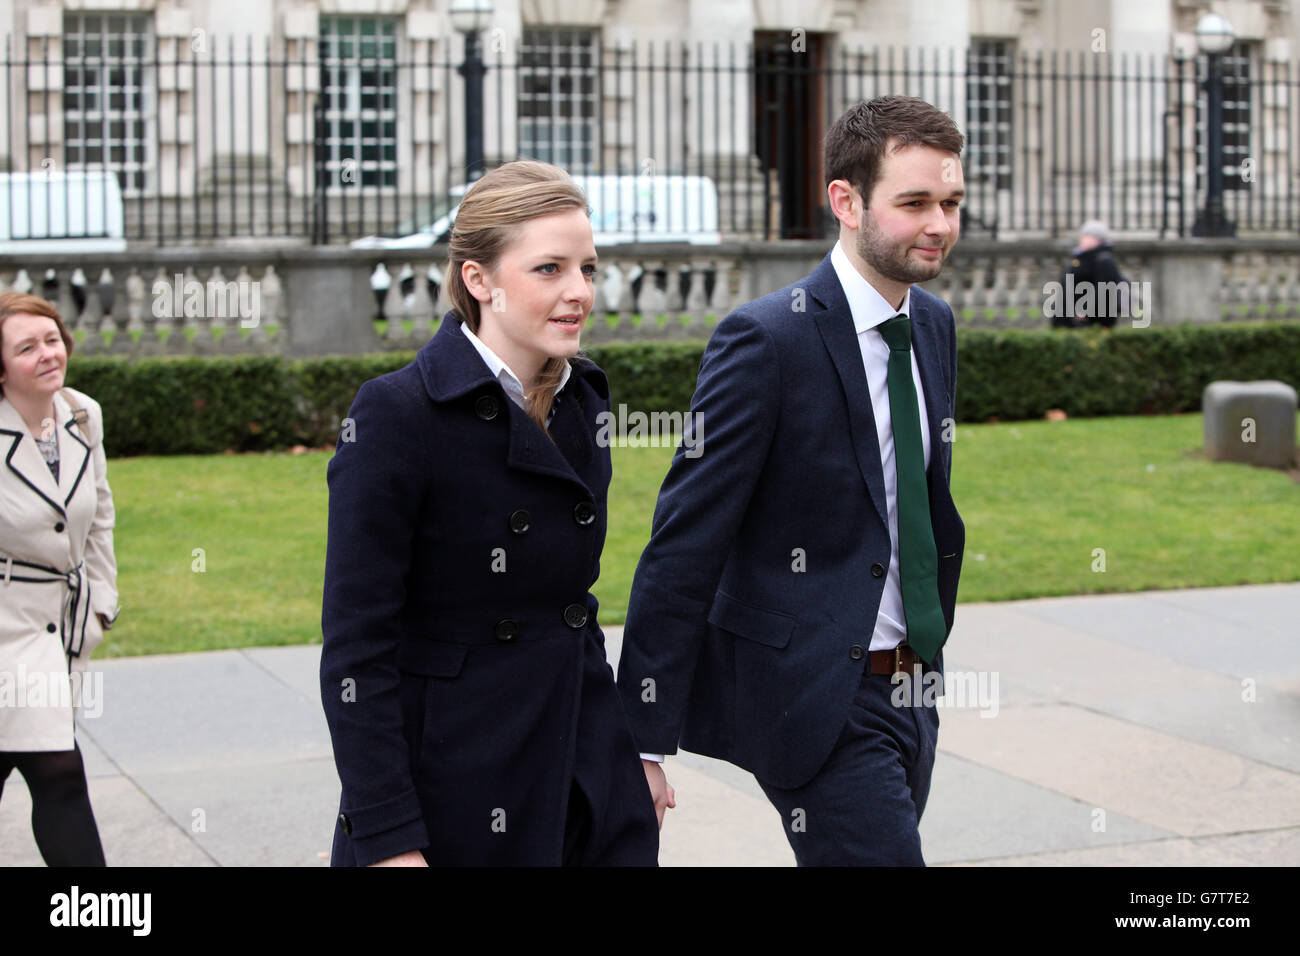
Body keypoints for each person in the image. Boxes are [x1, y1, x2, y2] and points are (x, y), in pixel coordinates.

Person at [616, 96, 967, 865]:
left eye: (951, 202)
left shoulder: (933, 325)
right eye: (914, 203)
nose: (939, 225)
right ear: (845, 200)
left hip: (913, 689)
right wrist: (641, 738)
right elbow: (685, 540)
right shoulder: (767, 338)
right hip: (817, 700)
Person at [320, 160, 659, 867]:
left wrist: (630, 758)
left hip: (585, 766)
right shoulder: (398, 414)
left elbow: (572, 606)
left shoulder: (583, 397)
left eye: (588, 269)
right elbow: (358, 646)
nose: (579, 293)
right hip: (456, 783)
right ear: (480, 281)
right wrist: (386, 837)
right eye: (549, 270)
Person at [0, 291, 120, 866]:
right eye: (27, 347)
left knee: (56, 772)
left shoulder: (81, 414)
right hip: (4, 629)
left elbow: (99, 514)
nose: (48, 354)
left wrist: (101, 604)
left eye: (52, 339)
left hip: (56, 633)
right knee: (58, 770)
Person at [1055, 219, 1128, 329]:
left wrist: (1085, 310)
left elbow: (1104, 290)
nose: (1082, 239)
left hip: (1089, 322)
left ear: (1097, 239)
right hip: (1072, 319)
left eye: (1086, 236)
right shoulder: (1082, 257)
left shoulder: (1103, 260)